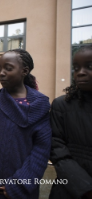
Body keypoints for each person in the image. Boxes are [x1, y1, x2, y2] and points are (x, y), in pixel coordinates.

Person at [0, 49, 52, 199]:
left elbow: (41, 149)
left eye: (8, 68)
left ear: (24, 71)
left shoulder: (41, 103)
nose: (1, 73)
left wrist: (19, 184)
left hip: (22, 190)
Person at [49, 44, 92, 199]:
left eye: (89, 66)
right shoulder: (61, 105)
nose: (80, 73)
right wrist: (85, 187)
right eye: (76, 68)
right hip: (68, 190)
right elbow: (56, 147)